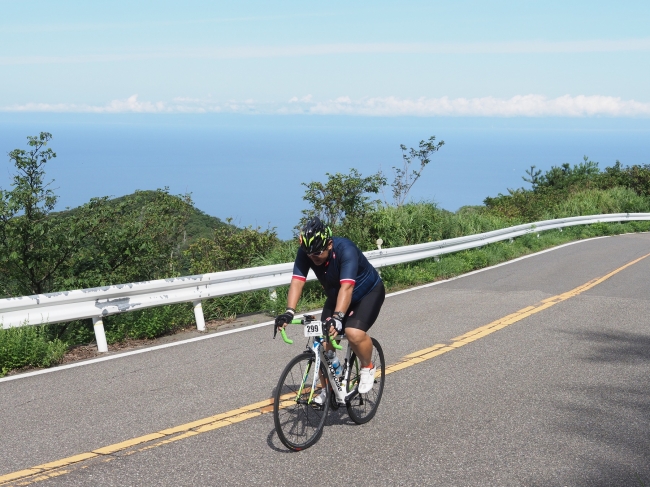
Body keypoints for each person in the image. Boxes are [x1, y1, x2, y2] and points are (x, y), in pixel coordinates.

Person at [275, 217, 385, 401]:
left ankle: (367, 366)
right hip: (336, 296)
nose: (313, 258)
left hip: (367, 293)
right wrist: (289, 312)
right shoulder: (307, 252)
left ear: (330, 244)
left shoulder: (345, 250)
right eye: (309, 254)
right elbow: (297, 281)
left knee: (353, 333)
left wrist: (338, 317)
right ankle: (329, 389)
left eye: (317, 253)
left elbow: (347, 287)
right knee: (321, 344)